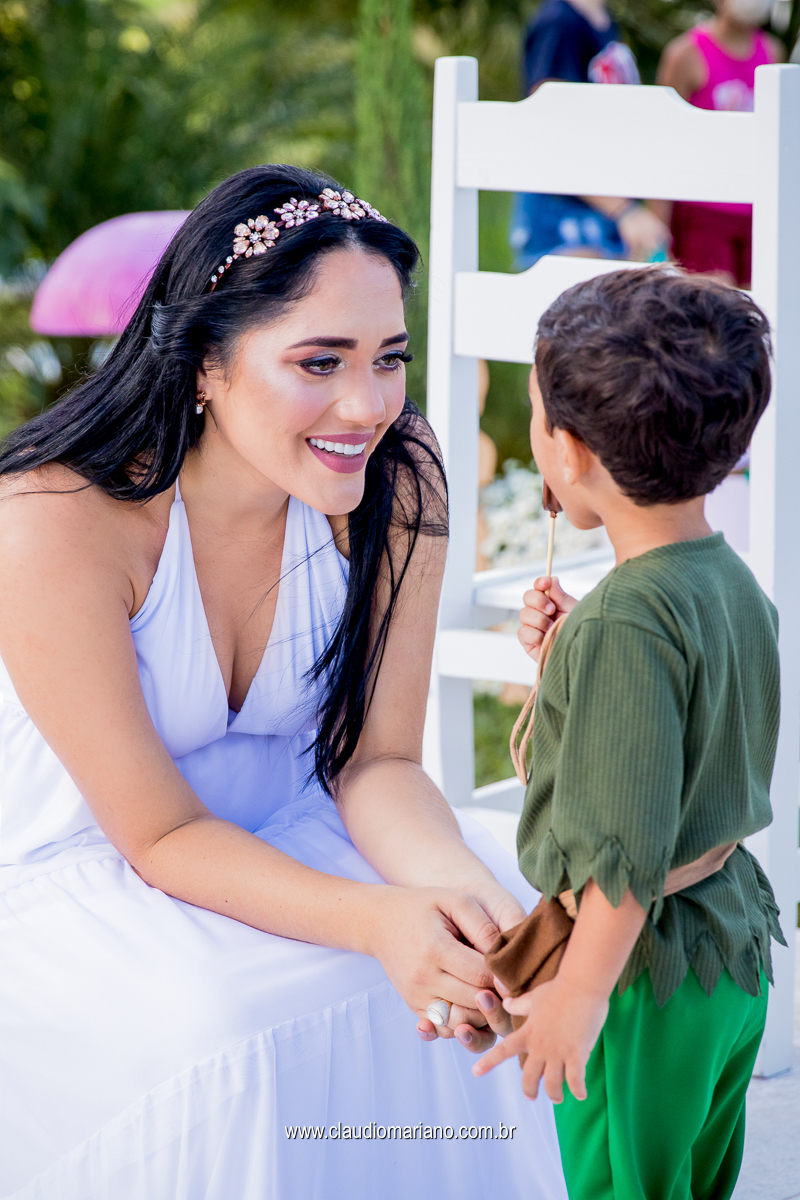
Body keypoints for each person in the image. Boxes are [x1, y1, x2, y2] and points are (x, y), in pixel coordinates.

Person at [0, 165, 568, 1200]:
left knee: (489, 924)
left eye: (389, 358)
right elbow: (159, 835)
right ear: (205, 364)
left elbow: (378, 761)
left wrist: (466, 906)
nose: (367, 404)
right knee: (224, 1025)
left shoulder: (398, 472)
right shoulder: (56, 519)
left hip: (292, 822)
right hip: (83, 866)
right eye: (319, 361)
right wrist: (379, 922)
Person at [475, 267, 785, 1200]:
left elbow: (624, 849)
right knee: (690, 1175)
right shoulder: (728, 582)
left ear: (570, 453)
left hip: (642, 973)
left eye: (538, 419)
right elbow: (691, 723)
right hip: (728, 948)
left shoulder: (625, 626)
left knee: (620, 1183)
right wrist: (580, 655)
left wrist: (579, 996)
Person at [511, 0, 670, 267]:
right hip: (565, 217)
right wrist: (624, 211)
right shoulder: (559, 23)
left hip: (602, 212)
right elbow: (550, 133)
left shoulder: (605, 21)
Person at [658, 0, 785, 287]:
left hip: (759, 209)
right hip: (704, 211)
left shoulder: (772, 52)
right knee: (712, 302)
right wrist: (660, 230)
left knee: (761, 301)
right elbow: (665, 140)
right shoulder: (686, 54)